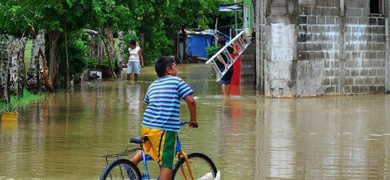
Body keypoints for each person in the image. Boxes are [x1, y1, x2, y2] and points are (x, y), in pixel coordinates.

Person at [130, 56, 198, 180]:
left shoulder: (153, 85)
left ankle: (132, 163)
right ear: (169, 70)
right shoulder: (176, 81)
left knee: (150, 149)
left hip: (146, 126)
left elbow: (148, 102)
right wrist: (193, 120)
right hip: (163, 129)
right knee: (167, 162)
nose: (177, 69)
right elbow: (191, 101)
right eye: (175, 67)